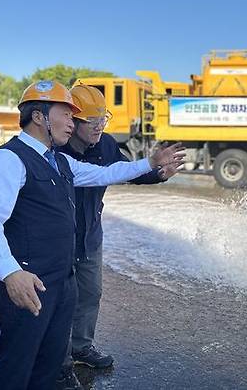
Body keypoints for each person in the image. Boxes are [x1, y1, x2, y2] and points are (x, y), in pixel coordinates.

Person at [0, 80, 184, 390]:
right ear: (40, 116)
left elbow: (107, 173)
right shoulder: (9, 159)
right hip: (28, 283)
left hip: (62, 282)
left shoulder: (60, 160)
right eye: (66, 114)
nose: (72, 122)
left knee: (49, 367)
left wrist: (150, 163)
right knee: (17, 369)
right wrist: (10, 272)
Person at [56, 84, 183, 389]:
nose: (100, 126)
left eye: (103, 118)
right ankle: (58, 363)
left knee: (90, 294)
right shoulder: (53, 150)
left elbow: (129, 170)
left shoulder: (107, 145)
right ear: (72, 121)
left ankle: (81, 347)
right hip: (58, 240)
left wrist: (158, 174)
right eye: (92, 120)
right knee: (60, 300)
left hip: (90, 236)